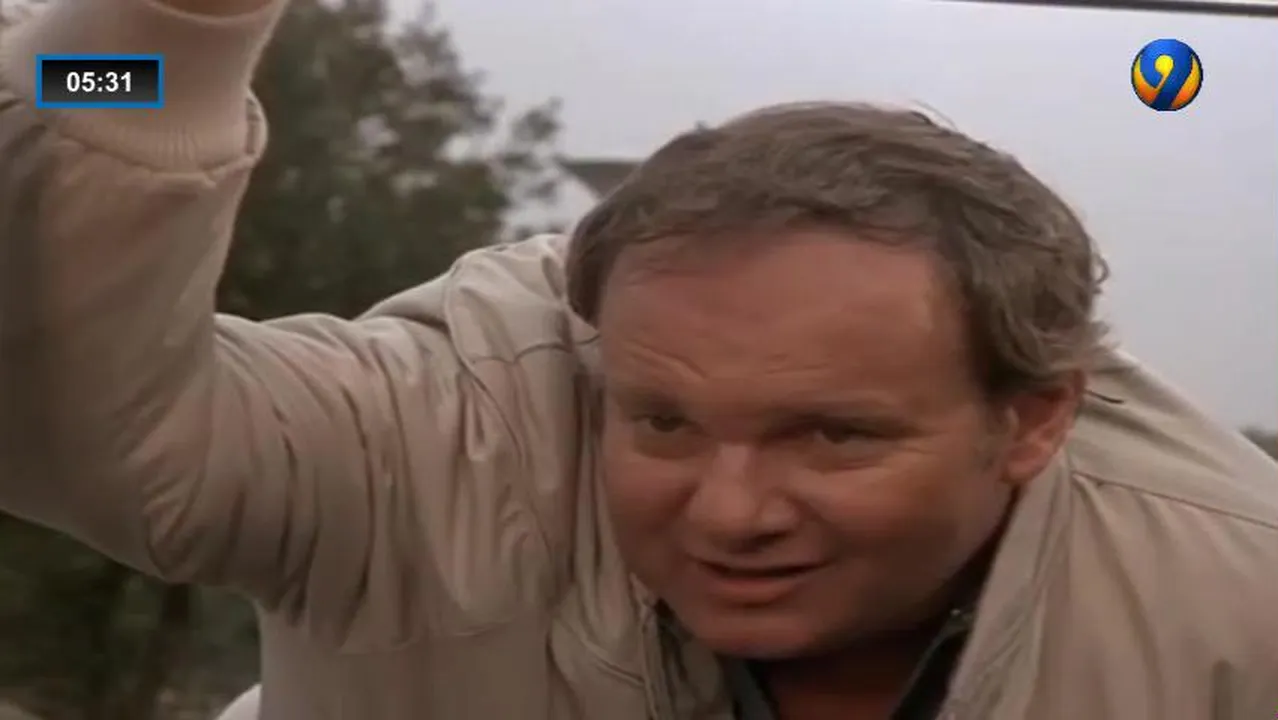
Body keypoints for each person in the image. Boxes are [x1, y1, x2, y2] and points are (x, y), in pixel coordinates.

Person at [2, 0, 1277, 717]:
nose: (729, 513)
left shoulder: (1234, 611)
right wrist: (170, 28)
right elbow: (73, 418)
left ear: (1035, 418)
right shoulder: (446, 430)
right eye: (661, 421)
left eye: (833, 435)